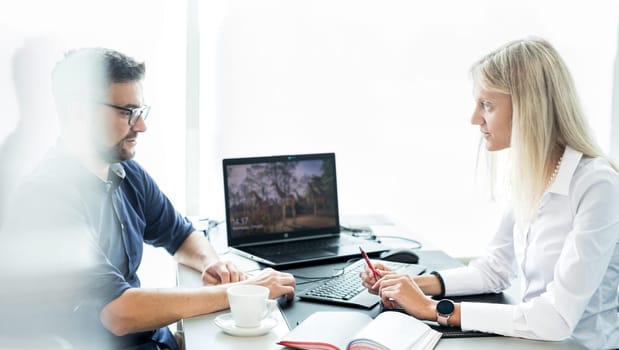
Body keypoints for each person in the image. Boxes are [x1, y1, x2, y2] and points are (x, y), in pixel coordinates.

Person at [2, 48, 295, 350]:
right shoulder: (48, 198)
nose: (141, 126)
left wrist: (213, 263)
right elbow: (119, 313)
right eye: (127, 112)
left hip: (154, 341)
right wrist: (243, 290)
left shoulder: (125, 171)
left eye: (140, 112)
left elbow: (181, 235)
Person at [361, 37, 619, 349]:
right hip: (533, 340)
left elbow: (556, 318)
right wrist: (410, 285)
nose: (475, 118)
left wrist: (432, 308)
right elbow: (495, 269)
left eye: (487, 105)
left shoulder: (596, 184)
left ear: (529, 108)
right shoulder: (531, 174)